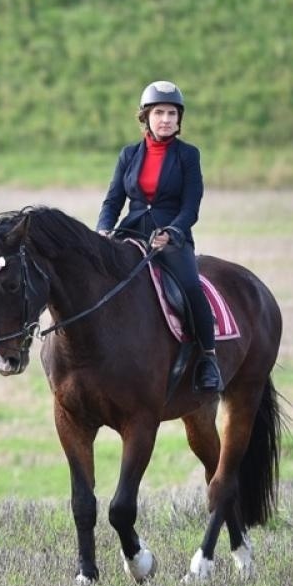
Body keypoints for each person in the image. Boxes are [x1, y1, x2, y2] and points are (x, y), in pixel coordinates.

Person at [97, 80, 222, 393]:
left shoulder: (188, 156)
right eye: (158, 113)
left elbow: (191, 205)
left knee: (192, 288)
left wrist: (172, 232)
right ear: (145, 117)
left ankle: (207, 358)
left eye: (171, 113)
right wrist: (103, 229)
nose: (165, 119)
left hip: (171, 236)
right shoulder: (128, 155)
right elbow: (113, 200)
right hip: (129, 231)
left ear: (179, 119)